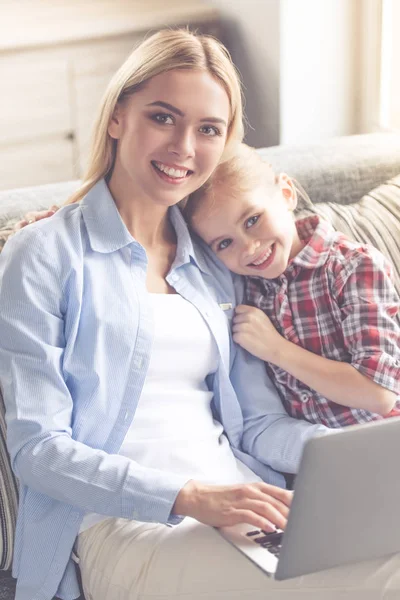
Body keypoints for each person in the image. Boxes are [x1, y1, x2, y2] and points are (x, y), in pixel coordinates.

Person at [1, 28, 400, 600]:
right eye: (163, 117)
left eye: (208, 129)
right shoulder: (43, 254)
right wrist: (187, 496)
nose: (185, 146)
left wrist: (362, 463)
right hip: (127, 530)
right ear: (118, 117)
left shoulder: (215, 261)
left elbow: (258, 426)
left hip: (247, 508)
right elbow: (38, 449)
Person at [185, 143, 400, 428]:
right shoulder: (244, 289)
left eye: (252, 220)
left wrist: (276, 349)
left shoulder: (353, 267)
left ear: (286, 193)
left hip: (381, 442)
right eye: (225, 243)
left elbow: (379, 392)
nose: (249, 248)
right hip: (309, 455)